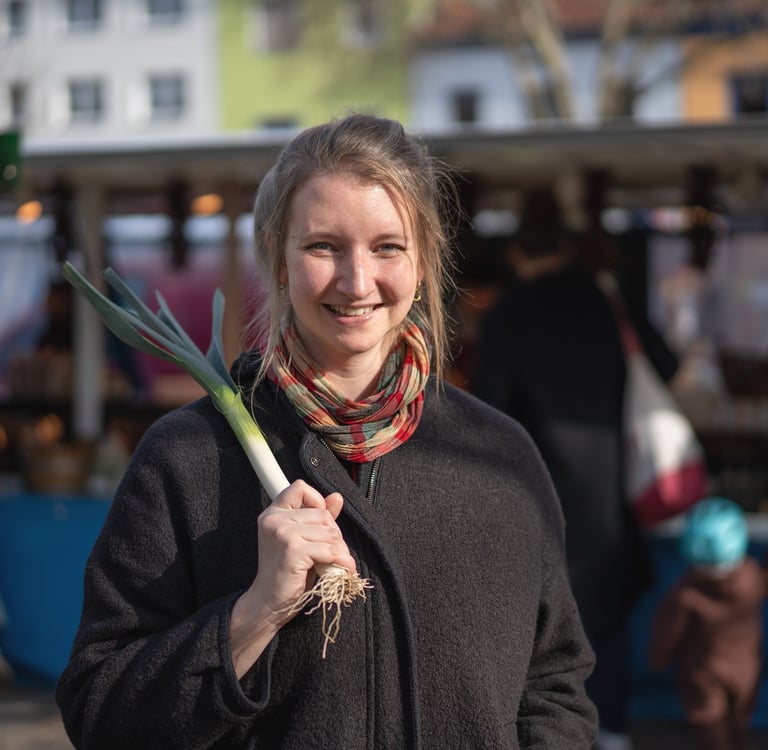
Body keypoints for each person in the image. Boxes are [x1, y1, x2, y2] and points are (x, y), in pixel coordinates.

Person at [55, 115, 597, 749]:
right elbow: (100, 713)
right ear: (277, 257)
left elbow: (556, 689)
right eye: (323, 247)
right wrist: (254, 615)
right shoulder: (188, 460)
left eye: (387, 247)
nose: (357, 282)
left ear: (423, 261)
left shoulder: (498, 458)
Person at [472, 186, 678, 750]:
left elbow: (488, 409)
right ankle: (611, 728)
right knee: (606, 613)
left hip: (534, 491)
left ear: (516, 256)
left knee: (544, 618)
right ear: (566, 248)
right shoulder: (605, 298)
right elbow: (668, 363)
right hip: (612, 486)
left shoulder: (509, 314)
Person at [649, 497, 767, 750]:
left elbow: (667, 633)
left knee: (713, 732)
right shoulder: (753, 579)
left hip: (703, 678)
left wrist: (658, 659)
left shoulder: (686, 595)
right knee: (739, 725)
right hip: (747, 672)